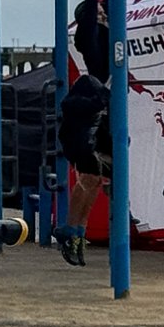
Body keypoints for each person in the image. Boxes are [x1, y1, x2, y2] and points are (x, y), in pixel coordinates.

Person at [52, 70, 109, 266]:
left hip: (83, 148)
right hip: (84, 149)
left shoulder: (77, 105)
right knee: (88, 183)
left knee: (90, 184)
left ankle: (77, 230)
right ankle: (73, 229)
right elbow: (97, 104)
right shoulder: (79, 105)